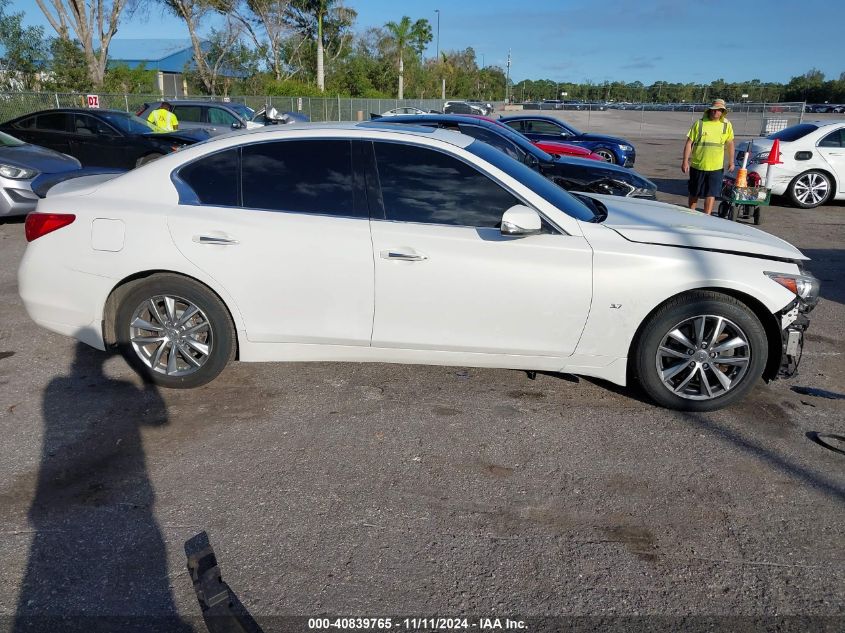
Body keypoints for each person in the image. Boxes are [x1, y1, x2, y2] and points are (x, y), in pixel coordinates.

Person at [681, 98, 735, 215]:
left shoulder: (726, 125)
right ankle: (691, 214)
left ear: (723, 112)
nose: (716, 112)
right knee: (694, 192)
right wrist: (685, 161)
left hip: (716, 167)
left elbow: (730, 143)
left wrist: (731, 161)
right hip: (698, 165)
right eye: (714, 110)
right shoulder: (699, 123)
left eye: (719, 110)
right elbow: (689, 143)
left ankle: (707, 217)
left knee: (711, 194)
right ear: (710, 110)